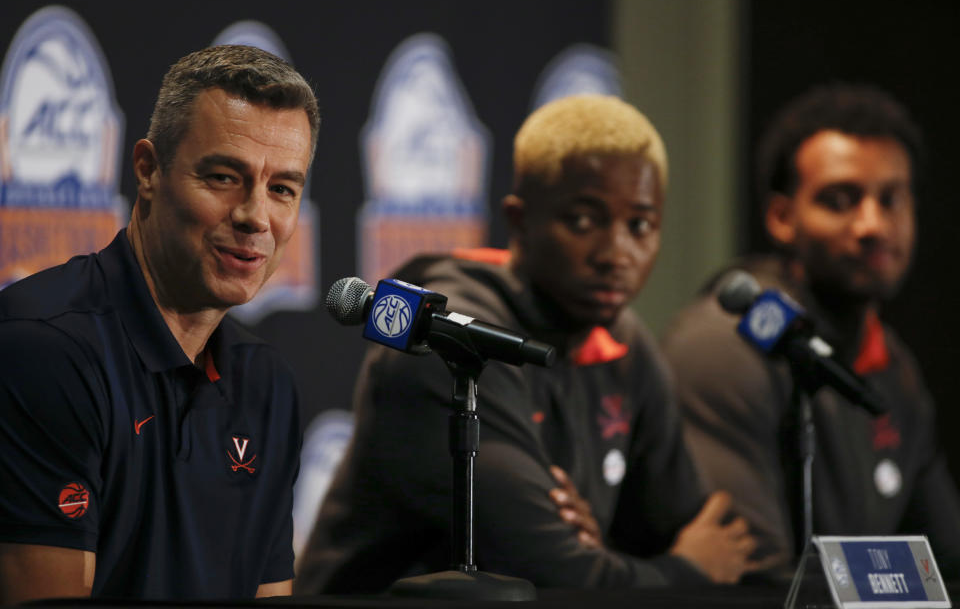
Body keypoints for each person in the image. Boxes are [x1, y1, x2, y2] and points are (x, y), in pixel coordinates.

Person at [295, 94, 758, 593]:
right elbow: (552, 575)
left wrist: (608, 552)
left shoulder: (625, 343)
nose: (615, 253)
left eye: (639, 226)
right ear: (519, 222)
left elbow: (705, 533)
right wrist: (686, 572)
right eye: (583, 220)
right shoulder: (447, 342)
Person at [0, 45, 320, 602]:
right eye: (224, 177)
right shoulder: (44, 348)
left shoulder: (267, 385)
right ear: (148, 170)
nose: (255, 216)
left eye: (282, 189)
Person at [661, 83, 960, 578]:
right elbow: (758, 579)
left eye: (892, 199)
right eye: (840, 200)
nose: (873, 225)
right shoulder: (723, 345)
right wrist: (898, 578)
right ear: (781, 217)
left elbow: (947, 566)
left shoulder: (895, 366)